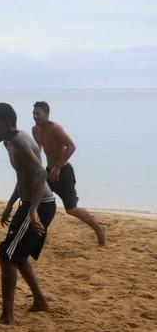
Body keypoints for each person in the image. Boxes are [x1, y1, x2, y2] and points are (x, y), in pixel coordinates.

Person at [0, 102, 56, 325]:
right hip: (29, 203)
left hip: (40, 204)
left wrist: (33, 209)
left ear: (7, 123)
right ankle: (40, 301)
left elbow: (39, 173)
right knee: (16, 253)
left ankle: (7, 316)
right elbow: (23, 176)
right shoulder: (9, 141)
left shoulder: (19, 141)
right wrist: (10, 203)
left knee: (7, 253)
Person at [31, 101, 106, 245]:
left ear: (47, 114)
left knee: (71, 209)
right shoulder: (35, 130)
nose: (35, 117)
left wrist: (57, 167)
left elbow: (71, 146)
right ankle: (40, 235)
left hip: (63, 171)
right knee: (38, 201)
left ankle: (98, 228)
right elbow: (39, 148)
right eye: (33, 114)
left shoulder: (55, 128)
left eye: (38, 113)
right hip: (48, 172)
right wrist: (36, 165)